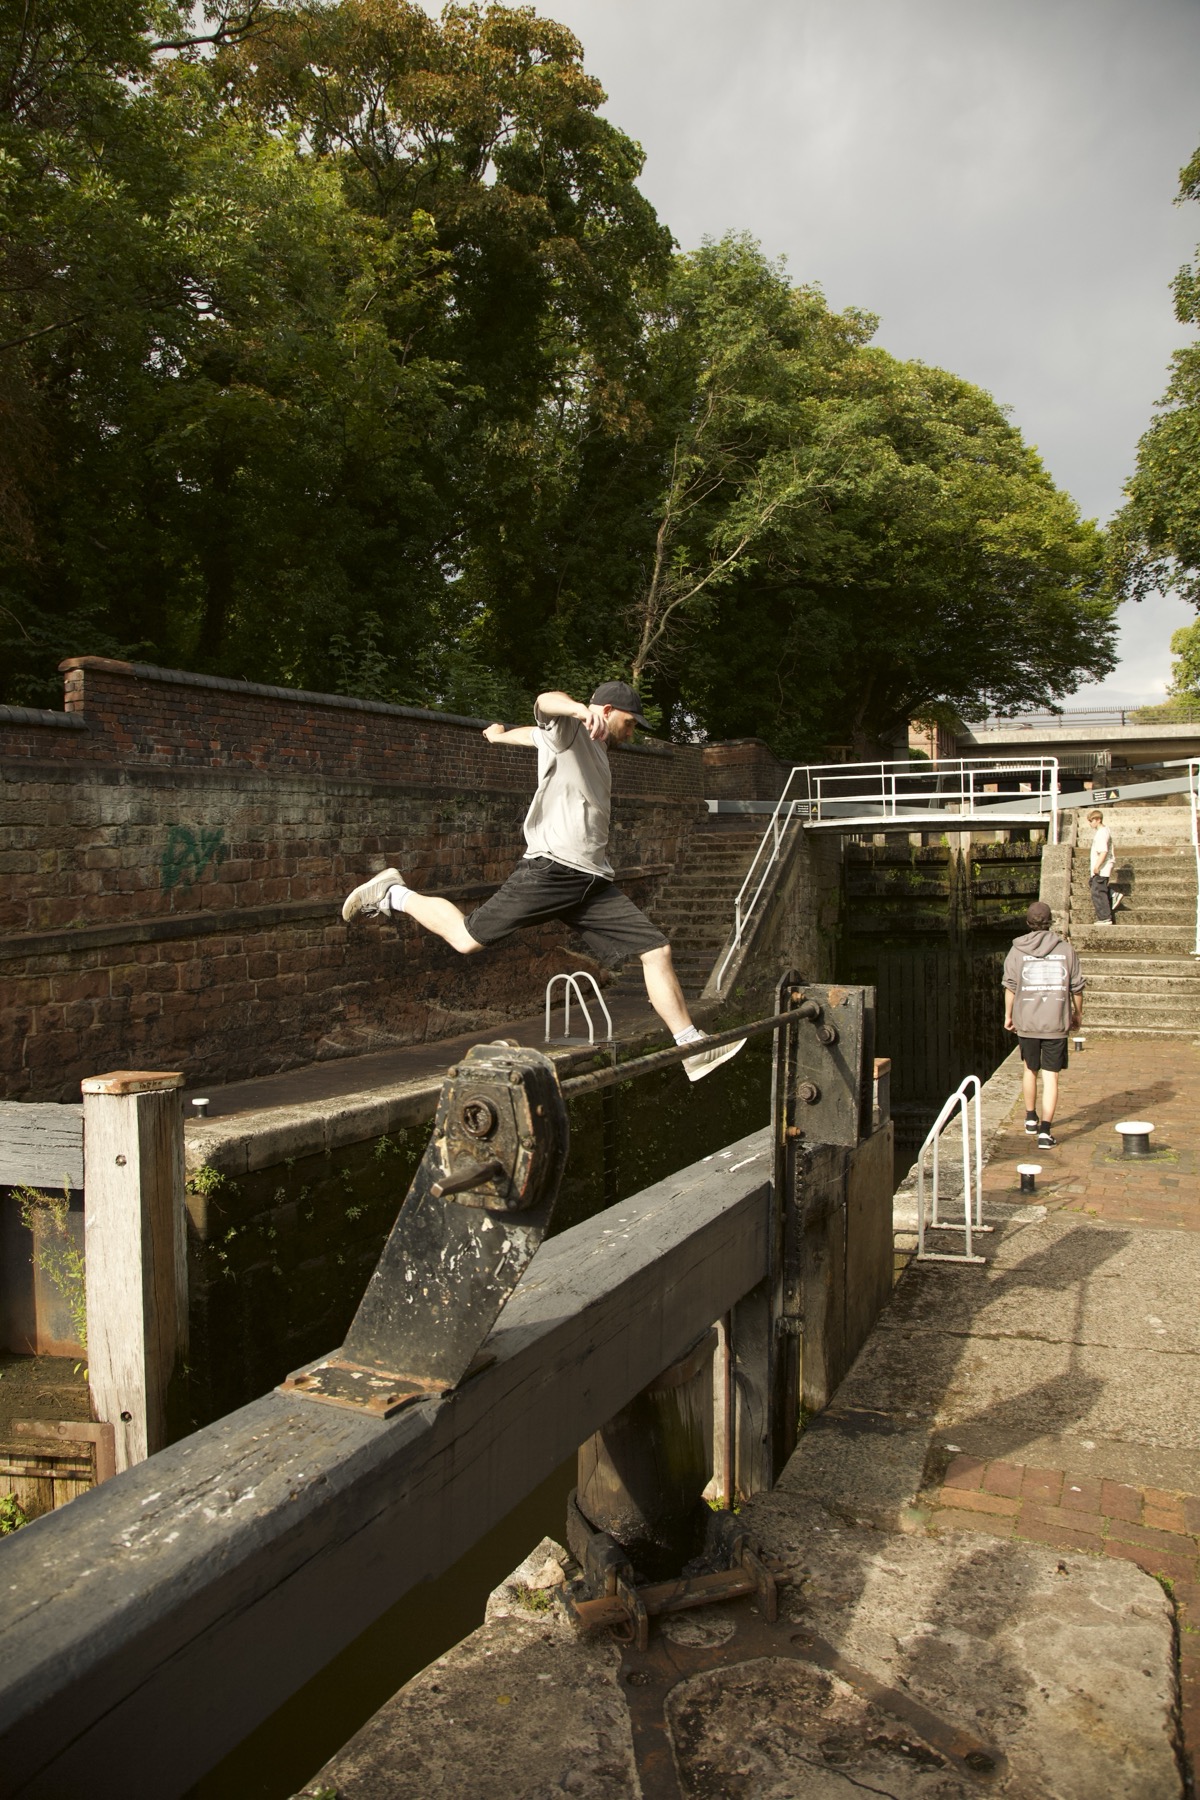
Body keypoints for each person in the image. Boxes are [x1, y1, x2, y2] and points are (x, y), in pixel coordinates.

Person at [340, 682, 745, 1082]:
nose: (631, 731)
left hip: (590, 881)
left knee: (656, 949)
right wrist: (579, 711)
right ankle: (394, 892)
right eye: (629, 722)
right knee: (466, 939)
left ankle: (692, 1049)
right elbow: (546, 701)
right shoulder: (574, 729)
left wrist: (500, 737)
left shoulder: (586, 746)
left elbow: (532, 735)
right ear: (605, 711)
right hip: (553, 870)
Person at [1002, 899, 1084, 1149]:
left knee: (1029, 1069)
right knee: (1051, 1077)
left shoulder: (1017, 950)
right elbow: (1077, 987)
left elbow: (1010, 986)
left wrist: (1008, 1015)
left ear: (1028, 923)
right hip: (1055, 1022)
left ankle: (1030, 1118)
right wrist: (1077, 1014)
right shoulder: (1066, 950)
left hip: (1027, 1021)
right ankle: (1045, 1132)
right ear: (1050, 922)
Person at [1087, 808, 1120, 924]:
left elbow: (1103, 851)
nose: (1090, 824)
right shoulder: (1105, 831)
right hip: (1104, 867)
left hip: (1102, 868)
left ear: (1098, 820)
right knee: (1093, 884)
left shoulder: (1101, 833)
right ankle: (1112, 894)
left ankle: (1105, 917)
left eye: (1091, 821)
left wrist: (1097, 866)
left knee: (1098, 892)